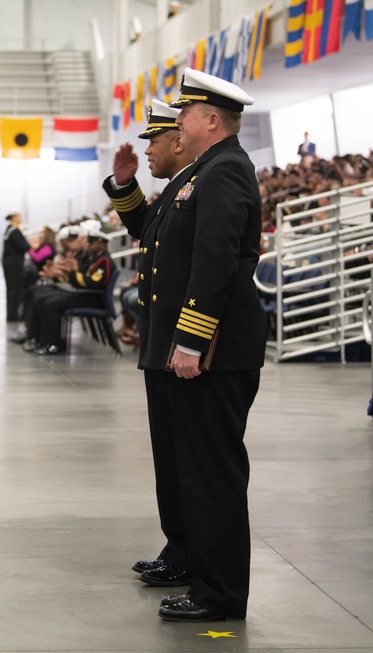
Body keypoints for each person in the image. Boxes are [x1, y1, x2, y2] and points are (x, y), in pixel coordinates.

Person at [103, 71, 267, 622]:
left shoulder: (225, 172)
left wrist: (192, 340)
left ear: (210, 120)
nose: (176, 123)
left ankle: (220, 593)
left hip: (213, 352)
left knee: (211, 472)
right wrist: (125, 187)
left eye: (185, 114)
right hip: (185, 349)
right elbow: (156, 236)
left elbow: (216, 260)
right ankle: (190, 558)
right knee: (183, 468)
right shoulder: (202, 173)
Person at [2, 213, 31, 322]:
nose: (21, 218)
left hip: (9, 263)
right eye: (19, 216)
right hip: (14, 264)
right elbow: (24, 246)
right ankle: (13, 316)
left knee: (11, 290)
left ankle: (11, 314)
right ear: (13, 217)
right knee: (15, 290)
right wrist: (30, 244)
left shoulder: (9, 229)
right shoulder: (14, 231)